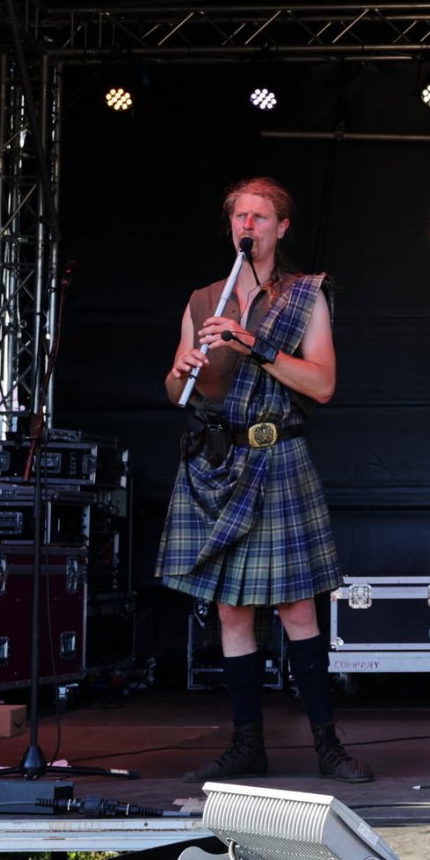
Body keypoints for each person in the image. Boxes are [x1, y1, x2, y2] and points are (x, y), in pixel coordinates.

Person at [158, 177, 371, 783]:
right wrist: (180, 372)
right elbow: (177, 391)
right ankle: (246, 744)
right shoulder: (205, 298)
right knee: (231, 612)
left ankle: (328, 746)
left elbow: (322, 385)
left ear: (282, 228)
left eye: (260, 217)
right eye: (239, 217)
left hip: (276, 459)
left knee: (297, 608)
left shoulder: (307, 294)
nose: (247, 226)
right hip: (216, 465)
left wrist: (253, 346)